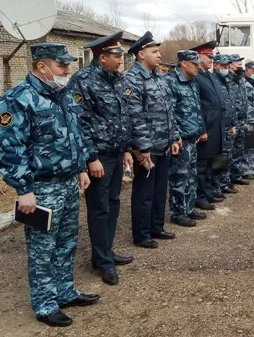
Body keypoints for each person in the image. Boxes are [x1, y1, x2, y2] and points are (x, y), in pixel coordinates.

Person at [0, 43, 99, 327]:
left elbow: (75, 134)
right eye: (61, 66)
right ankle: (45, 304)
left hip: (68, 183)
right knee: (43, 249)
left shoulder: (63, 94)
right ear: (42, 66)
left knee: (66, 242)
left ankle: (65, 292)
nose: (67, 70)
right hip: (40, 188)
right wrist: (23, 190)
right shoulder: (19, 98)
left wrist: (81, 167)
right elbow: (9, 148)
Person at [67, 31, 133, 286]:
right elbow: (79, 123)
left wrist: (127, 148)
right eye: (117, 56)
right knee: (99, 208)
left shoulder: (116, 79)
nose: (121, 60)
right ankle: (103, 262)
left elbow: (123, 116)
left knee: (113, 203)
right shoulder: (83, 80)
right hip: (99, 157)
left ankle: (105, 252)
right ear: (102, 57)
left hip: (116, 153)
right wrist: (90, 158)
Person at [125, 31, 179, 248]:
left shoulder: (160, 76)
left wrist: (174, 136)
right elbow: (134, 116)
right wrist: (142, 147)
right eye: (154, 51)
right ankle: (142, 234)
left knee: (159, 189)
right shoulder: (132, 79)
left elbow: (169, 110)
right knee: (144, 193)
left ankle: (157, 226)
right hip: (147, 147)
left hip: (163, 143)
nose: (159, 55)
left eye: (158, 51)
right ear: (140, 54)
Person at [167, 50, 206, 227]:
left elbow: (197, 108)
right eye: (195, 64)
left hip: (192, 137)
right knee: (179, 176)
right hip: (181, 139)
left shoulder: (192, 82)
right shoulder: (172, 82)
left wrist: (199, 130)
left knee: (191, 174)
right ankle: (177, 212)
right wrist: (176, 136)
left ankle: (189, 208)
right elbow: (170, 113)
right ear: (184, 63)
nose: (198, 67)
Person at [190, 41, 225, 209]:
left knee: (211, 162)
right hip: (206, 125)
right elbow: (197, 106)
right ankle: (200, 196)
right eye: (208, 56)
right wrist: (202, 128)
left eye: (212, 56)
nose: (211, 60)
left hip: (215, 125)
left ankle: (208, 191)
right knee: (202, 165)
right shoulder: (196, 76)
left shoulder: (208, 74)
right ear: (199, 56)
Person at [210, 54, 239, 195]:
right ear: (216, 66)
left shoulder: (226, 80)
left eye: (228, 66)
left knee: (227, 156)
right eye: (223, 66)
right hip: (218, 127)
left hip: (228, 126)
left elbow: (231, 104)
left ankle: (224, 183)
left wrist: (233, 124)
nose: (226, 68)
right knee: (218, 158)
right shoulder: (212, 81)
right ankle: (216, 187)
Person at [227, 54, 250, 186]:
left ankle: (237, 175)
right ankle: (227, 179)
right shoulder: (228, 79)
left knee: (239, 149)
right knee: (230, 151)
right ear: (231, 65)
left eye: (241, 63)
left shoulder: (240, 78)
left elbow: (243, 99)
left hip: (241, 120)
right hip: (233, 121)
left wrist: (244, 119)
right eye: (238, 63)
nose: (241, 65)